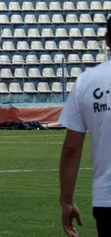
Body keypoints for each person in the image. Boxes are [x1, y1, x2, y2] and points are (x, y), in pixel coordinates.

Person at [58, 16, 111, 237]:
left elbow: (71, 150)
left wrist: (67, 201)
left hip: (107, 199)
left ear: (107, 40)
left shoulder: (87, 82)